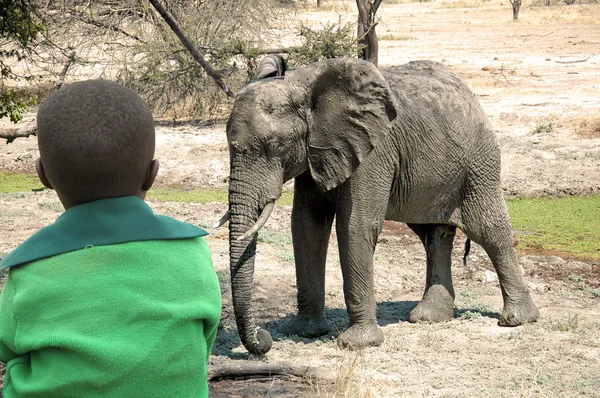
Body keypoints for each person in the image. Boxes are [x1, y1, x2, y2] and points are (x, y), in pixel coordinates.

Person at [0, 80, 221, 397]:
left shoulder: (28, 271)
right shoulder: (192, 253)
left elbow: (7, 347)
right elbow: (204, 337)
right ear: (152, 173)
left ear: (43, 175)